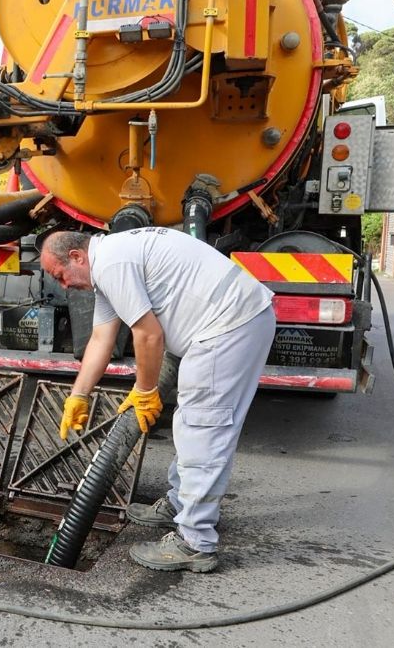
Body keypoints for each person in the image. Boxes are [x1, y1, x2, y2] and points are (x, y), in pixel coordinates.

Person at [40, 228, 275, 573]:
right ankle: (180, 505)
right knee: (191, 425)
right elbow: (102, 339)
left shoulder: (112, 263)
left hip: (227, 326)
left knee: (203, 429)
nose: (63, 286)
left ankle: (194, 542)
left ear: (77, 257)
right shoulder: (107, 266)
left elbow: (148, 335)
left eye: (60, 276)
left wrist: (146, 392)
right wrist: (78, 394)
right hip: (224, 324)